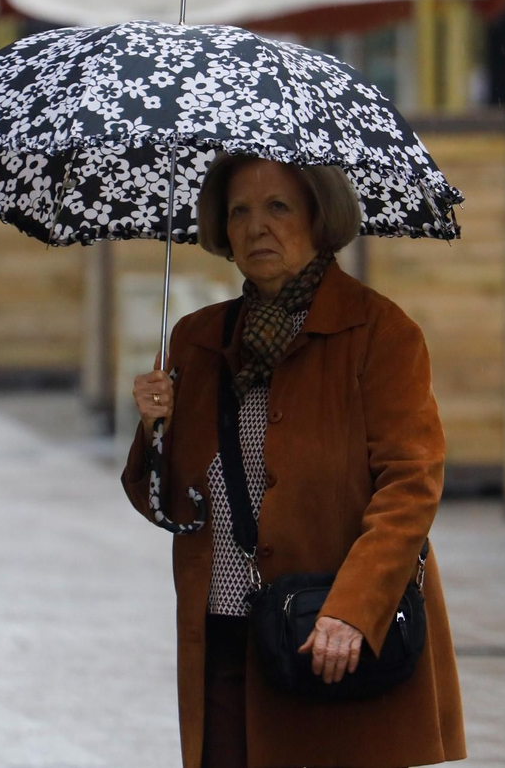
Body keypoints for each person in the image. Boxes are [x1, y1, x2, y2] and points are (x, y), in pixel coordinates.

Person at [122, 154, 466, 768]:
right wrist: (154, 430)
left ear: (320, 214)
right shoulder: (198, 342)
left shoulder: (380, 333)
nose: (257, 226)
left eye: (277, 206)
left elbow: (411, 486)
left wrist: (354, 611)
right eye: (239, 211)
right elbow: (172, 507)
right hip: (226, 636)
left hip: (331, 641)